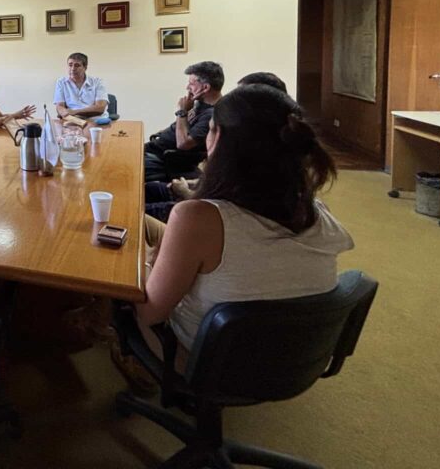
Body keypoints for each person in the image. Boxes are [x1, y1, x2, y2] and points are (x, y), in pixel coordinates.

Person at [134, 84, 354, 368]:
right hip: (297, 357)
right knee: (137, 224)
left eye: (210, 129)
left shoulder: (197, 218)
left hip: (208, 361)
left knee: (120, 267)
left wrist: (142, 263)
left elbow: (149, 313)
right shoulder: (314, 210)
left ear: (219, 138)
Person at [144, 71, 289, 221]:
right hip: (203, 194)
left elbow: (229, 208)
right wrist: (192, 184)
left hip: (214, 215)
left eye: (241, 96)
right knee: (147, 190)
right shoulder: (239, 131)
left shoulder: (262, 151)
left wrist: (185, 192)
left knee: (136, 214)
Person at [144, 61, 224, 181]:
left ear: (206, 87)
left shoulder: (211, 114)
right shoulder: (200, 105)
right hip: (154, 149)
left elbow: (183, 144)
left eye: (191, 84)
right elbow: (179, 128)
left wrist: (182, 112)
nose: (187, 88)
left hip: (162, 159)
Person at [54, 52, 108, 118]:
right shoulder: (61, 82)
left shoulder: (97, 82)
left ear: (85, 67)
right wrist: (64, 113)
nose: (73, 69)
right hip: (73, 121)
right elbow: (59, 106)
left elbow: (100, 108)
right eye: (70, 65)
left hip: (95, 120)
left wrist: (74, 112)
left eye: (77, 65)